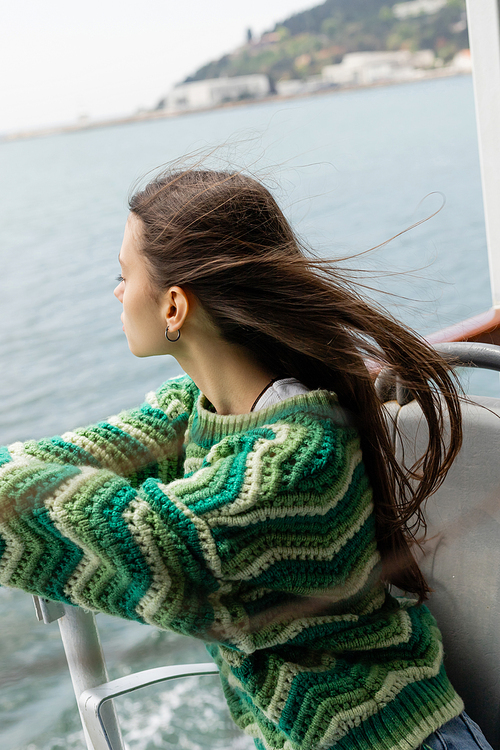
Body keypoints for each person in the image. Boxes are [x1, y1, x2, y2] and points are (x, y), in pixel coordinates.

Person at [0, 167, 492, 750]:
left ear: (174, 307)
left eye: (122, 274)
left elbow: (154, 540)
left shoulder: (297, 461)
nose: (116, 292)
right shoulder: (193, 409)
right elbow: (66, 457)